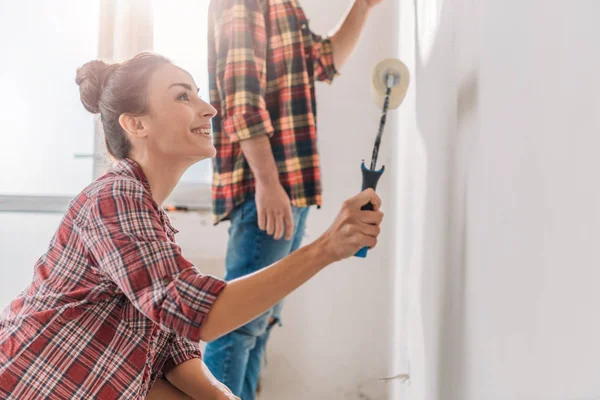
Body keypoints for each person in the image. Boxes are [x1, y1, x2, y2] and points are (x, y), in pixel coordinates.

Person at [0, 53, 383, 400]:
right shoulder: (114, 196)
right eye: (183, 96)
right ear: (136, 124)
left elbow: (171, 348)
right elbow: (202, 315)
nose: (211, 109)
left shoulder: (147, 213)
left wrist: (222, 397)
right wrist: (326, 248)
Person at [204, 0, 384, 397]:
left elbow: (325, 61)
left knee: (259, 323)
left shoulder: (283, 6)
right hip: (266, 191)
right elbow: (241, 101)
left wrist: (363, 7)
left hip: (290, 189)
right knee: (238, 325)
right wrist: (268, 183)